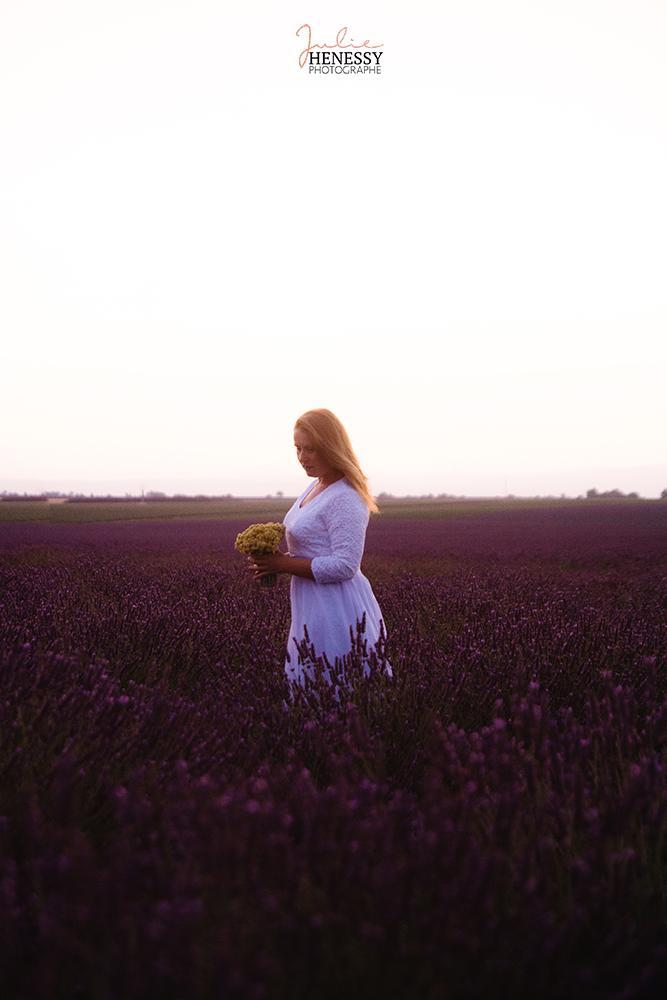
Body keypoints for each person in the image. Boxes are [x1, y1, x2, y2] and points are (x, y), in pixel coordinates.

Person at [247, 408, 393, 699]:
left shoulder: (346, 496)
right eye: (298, 449)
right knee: (310, 682)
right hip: (310, 602)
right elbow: (312, 546)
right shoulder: (315, 486)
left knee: (337, 685)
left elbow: (345, 565)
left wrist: (284, 563)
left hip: (335, 606)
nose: (302, 457)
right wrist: (276, 561)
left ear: (331, 447)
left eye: (310, 449)